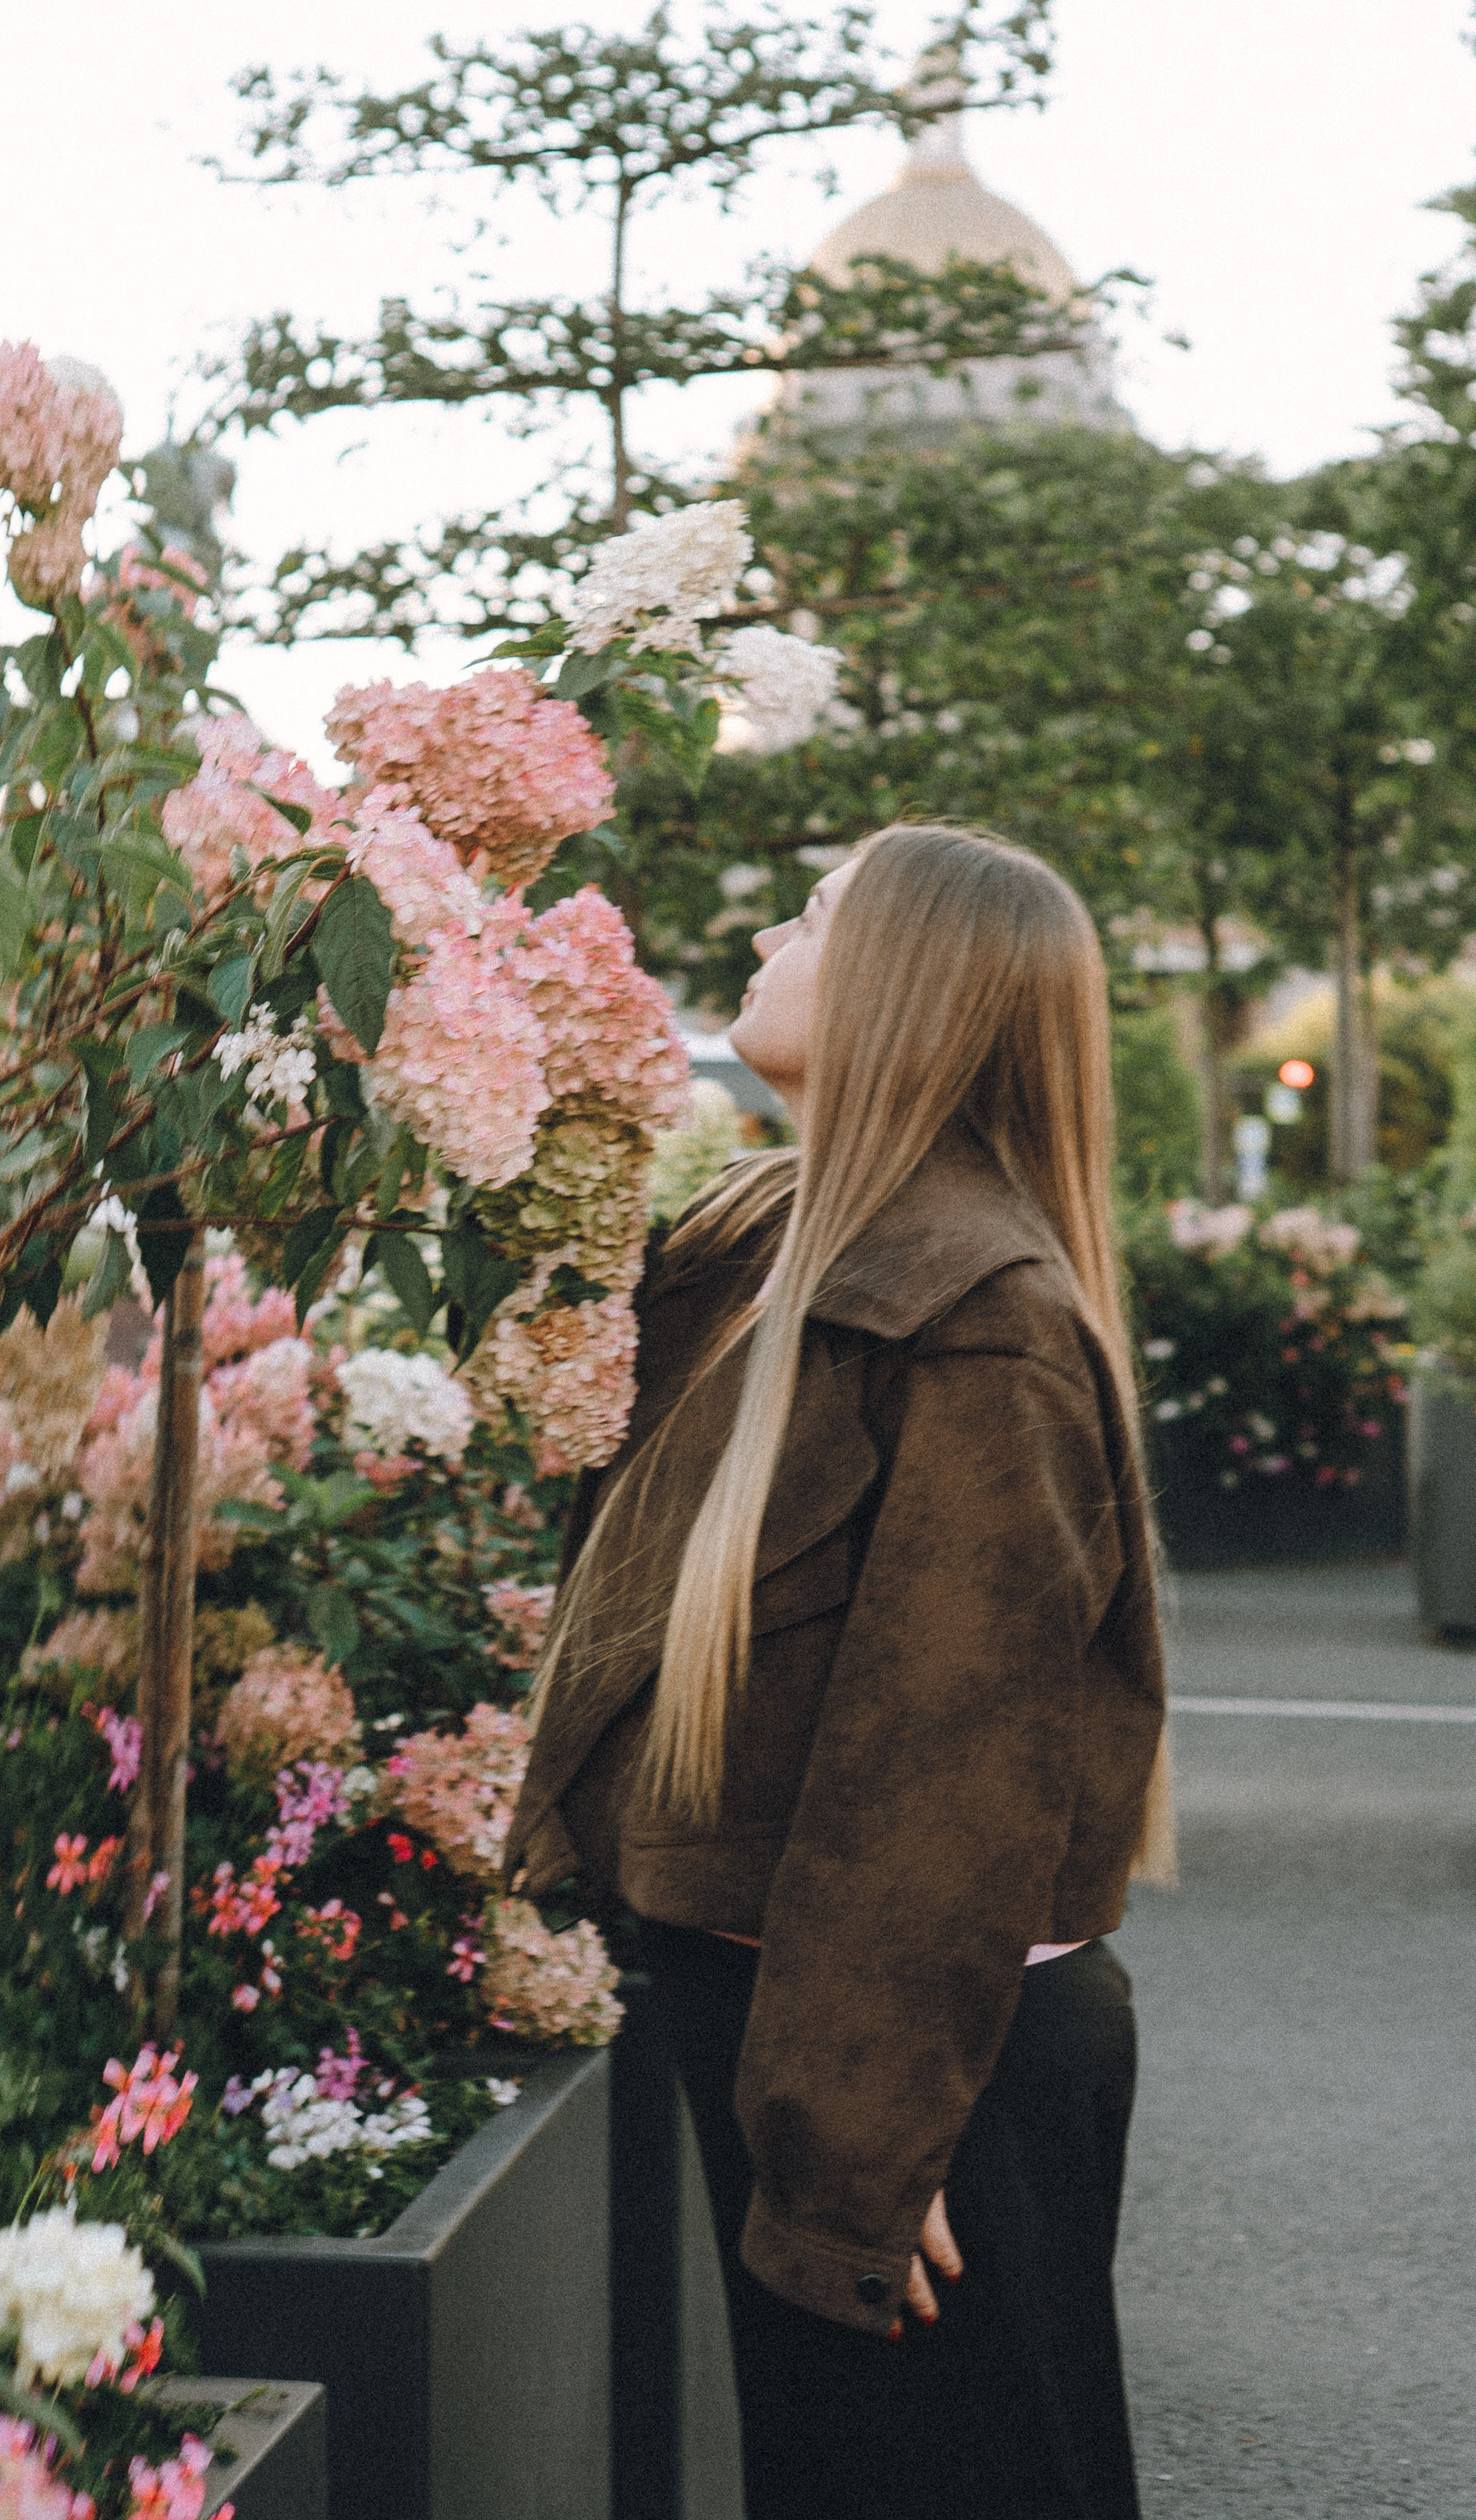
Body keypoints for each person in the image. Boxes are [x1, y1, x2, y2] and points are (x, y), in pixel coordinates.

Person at [505, 824, 1171, 2520]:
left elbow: (948, 1766)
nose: (765, 931)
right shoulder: (761, 1247)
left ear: (906, 986)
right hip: (804, 2013)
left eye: (811, 915)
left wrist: (863, 2155)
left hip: (919, 2042)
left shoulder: (975, 1312)